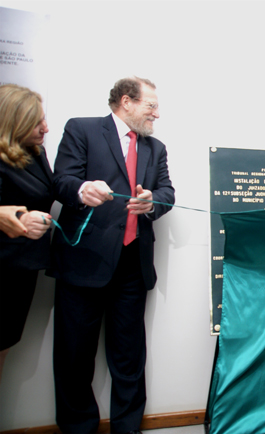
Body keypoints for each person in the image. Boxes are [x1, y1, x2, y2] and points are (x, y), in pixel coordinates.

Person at [49, 77, 175, 434]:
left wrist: (153, 201)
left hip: (133, 267)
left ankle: (128, 428)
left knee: (130, 357)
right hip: (84, 262)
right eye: (151, 106)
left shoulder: (156, 148)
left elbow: (167, 191)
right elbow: (61, 181)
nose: (157, 114)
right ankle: (79, 429)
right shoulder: (82, 130)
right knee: (74, 356)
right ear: (126, 101)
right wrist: (82, 189)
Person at [0, 84, 53, 383]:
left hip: (21, 272)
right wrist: (21, 218)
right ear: (13, 122)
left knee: (4, 346)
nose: (46, 128)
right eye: (36, 122)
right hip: (3, 265)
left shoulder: (35, 153)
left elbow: (50, 190)